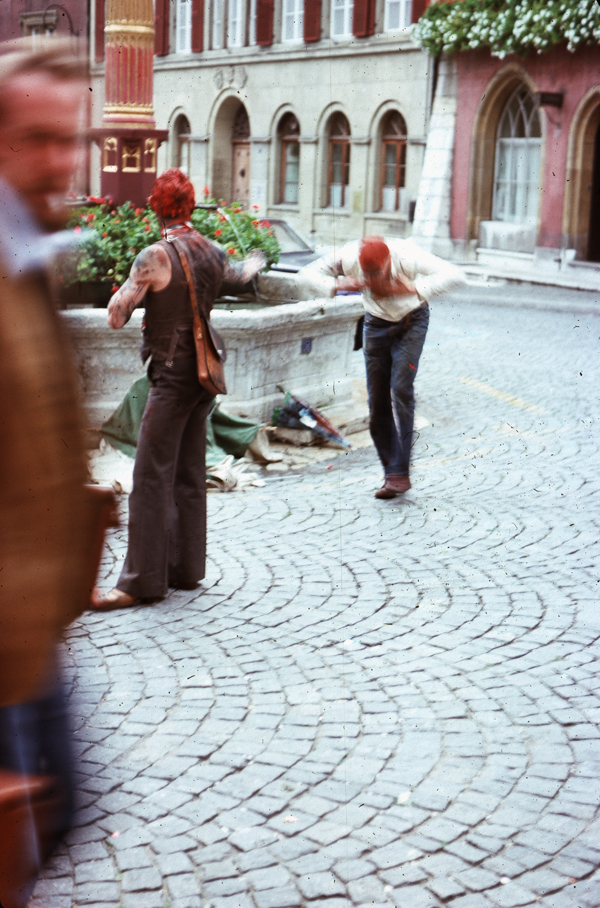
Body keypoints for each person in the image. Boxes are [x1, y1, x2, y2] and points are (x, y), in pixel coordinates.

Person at [0, 39, 96, 904]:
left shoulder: (29, 248)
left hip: (38, 633)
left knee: (61, 813)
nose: (63, 159)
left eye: (73, 138)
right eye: (40, 138)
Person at [93, 169, 265, 610]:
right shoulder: (210, 248)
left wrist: (127, 291)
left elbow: (116, 316)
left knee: (150, 475)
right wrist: (258, 260)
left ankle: (138, 583)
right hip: (204, 374)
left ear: (156, 206)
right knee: (189, 471)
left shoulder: (154, 255)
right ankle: (186, 570)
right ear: (190, 206)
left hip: (170, 376)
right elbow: (242, 274)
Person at [299, 236, 466, 498]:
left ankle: (401, 471)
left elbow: (456, 275)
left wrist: (413, 288)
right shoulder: (347, 255)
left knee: (401, 388)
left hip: (412, 320)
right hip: (375, 324)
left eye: (379, 274)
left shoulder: (407, 254)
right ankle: (392, 474)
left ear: (389, 263)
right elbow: (306, 275)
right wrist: (337, 284)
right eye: (369, 276)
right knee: (376, 401)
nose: (374, 282)